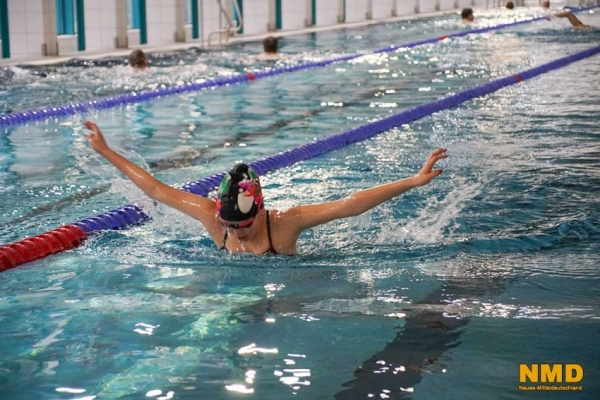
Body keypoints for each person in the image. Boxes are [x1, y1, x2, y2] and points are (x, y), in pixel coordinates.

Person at [83, 121, 448, 255]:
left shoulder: (285, 223)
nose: (236, 234)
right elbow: (158, 190)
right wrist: (105, 151)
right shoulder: (214, 220)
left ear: (260, 210)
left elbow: (350, 205)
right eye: (230, 227)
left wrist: (413, 180)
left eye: (242, 226)